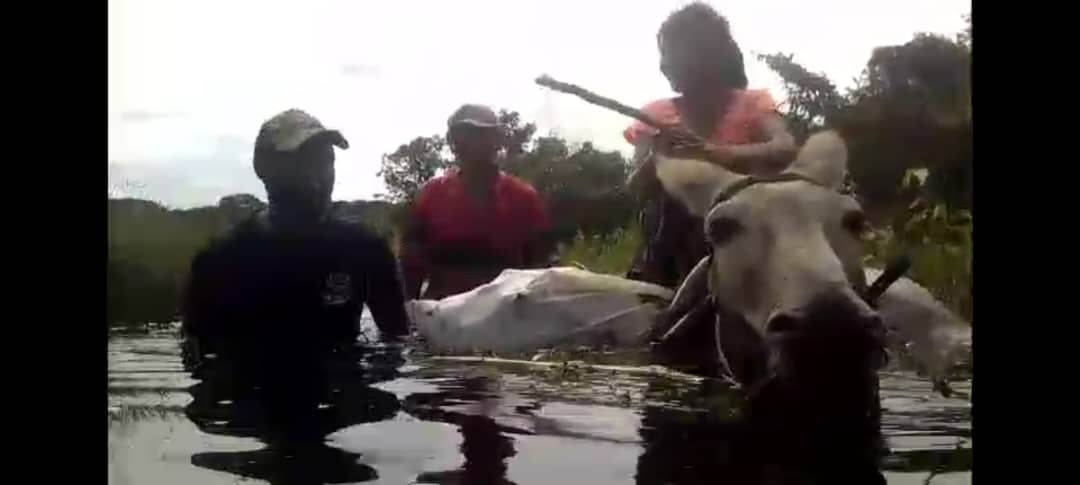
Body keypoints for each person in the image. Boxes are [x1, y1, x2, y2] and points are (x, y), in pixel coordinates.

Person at [181, 109, 410, 374]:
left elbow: (396, 344)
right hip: (252, 402)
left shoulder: (366, 251)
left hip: (343, 399)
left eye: (325, 161)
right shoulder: (221, 260)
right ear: (264, 170)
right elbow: (196, 358)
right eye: (301, 164)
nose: (317, 178)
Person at [624, 2, 798, 289]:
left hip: (754, 235)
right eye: (662, 54)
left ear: (708, 52)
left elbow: (784, 147)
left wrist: (715, 154)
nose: (663, 64)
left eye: (671, 52)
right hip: (675, 254)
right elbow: (636, 188)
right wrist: (659, 158)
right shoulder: (654, 114)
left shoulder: (753, 103)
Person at [401, 104, 553, 300]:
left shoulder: (524, 197)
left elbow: (542, 264)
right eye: (463, 135)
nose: (471, 142)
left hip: (506, 310)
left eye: (480, 134)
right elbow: (410, 265)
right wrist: (406, 315)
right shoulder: (431, 195)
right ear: (453, 142)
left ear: (497, 140)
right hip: (444, 312)